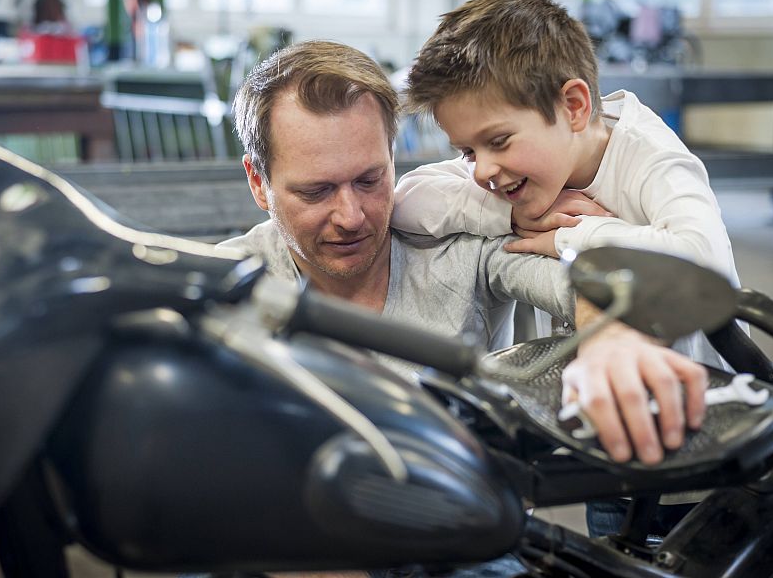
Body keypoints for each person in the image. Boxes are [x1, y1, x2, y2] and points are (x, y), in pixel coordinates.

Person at [219, 41, 707, 565]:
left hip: (458, 534)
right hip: (299, 538)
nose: (353, 216)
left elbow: (579, 285)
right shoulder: (221, 285)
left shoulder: (456, 240)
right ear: (258, 182)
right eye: (315, 192)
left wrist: (607, 342)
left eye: (370, 180)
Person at [395, 0, 739, 536]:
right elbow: (406, 200)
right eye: (466, 152)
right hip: (604, 442)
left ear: (574, 106)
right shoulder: (524, 168)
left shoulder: (652, 159)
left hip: (699, 446)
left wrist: (576, 234)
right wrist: (509, 217)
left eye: (497, 142)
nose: (482, 170)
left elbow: (707, 265)